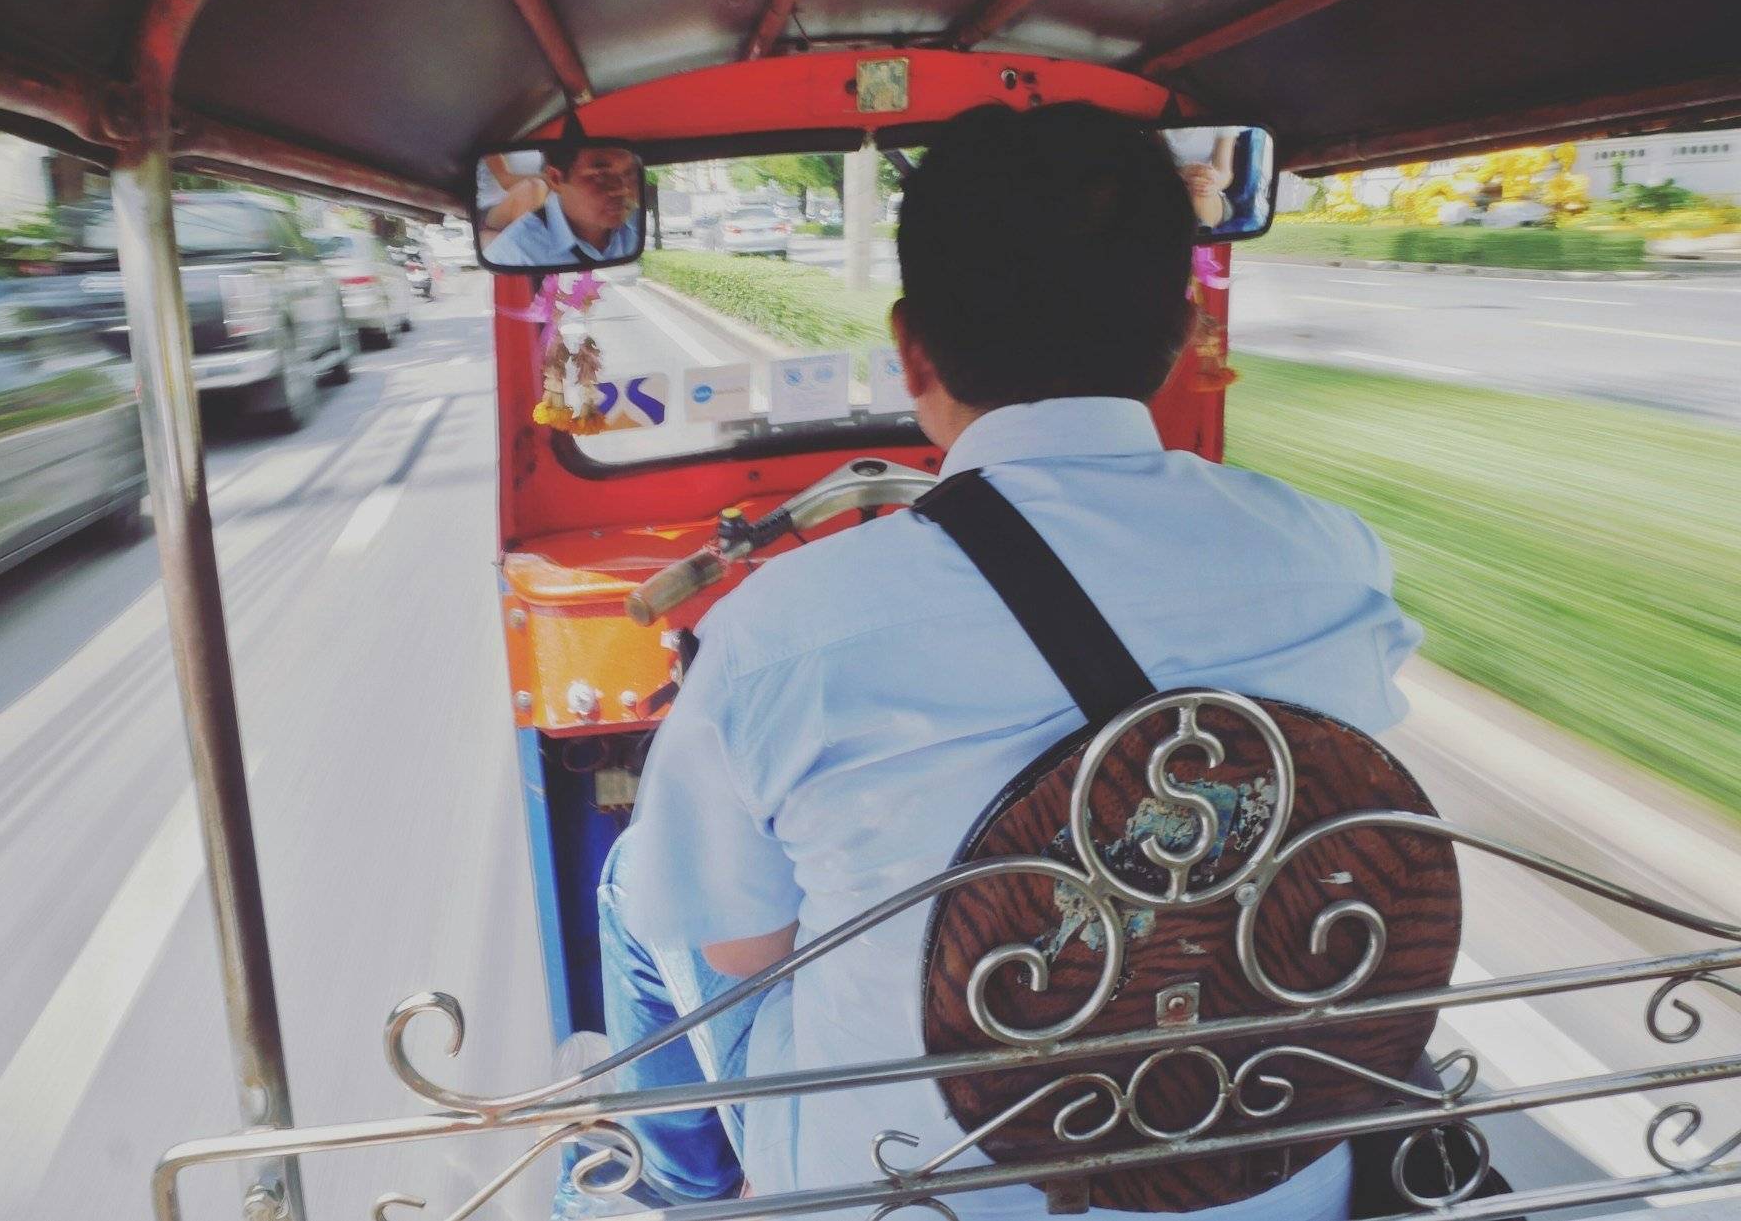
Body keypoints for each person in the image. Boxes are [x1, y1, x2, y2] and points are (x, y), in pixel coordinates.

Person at [594, 104, 1421, 1220]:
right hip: (1276, 1171)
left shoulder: (785, 630)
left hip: (905, 1186)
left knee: (634, 887)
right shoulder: (1336, 559)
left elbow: (740, 948)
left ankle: (660, 1198)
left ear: (912, 347)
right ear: (1181, 328)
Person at [483, 142, 641, 269]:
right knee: (534, 186)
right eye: (601, 175)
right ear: (556, 179)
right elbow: (505, 180)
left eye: (629, 174)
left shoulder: (636, 225)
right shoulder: (513, 255)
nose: (622, 189)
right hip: (490, 207)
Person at [1164, 124, 1239, 229]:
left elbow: (1225, 174)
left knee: (1200, 179)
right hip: (1165, 187)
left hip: (1209, 193)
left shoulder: (1224, 120)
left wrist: (1212, 183)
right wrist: (1181, 175)